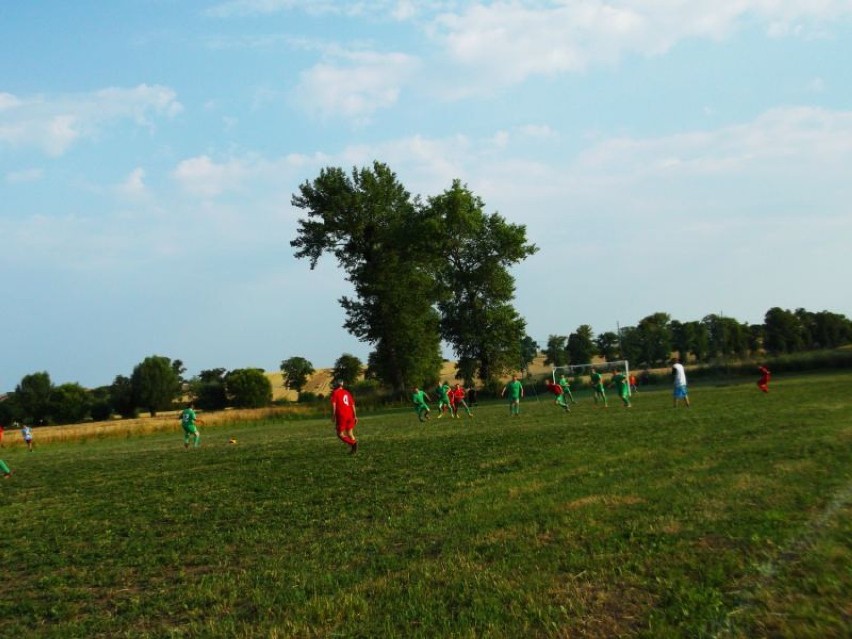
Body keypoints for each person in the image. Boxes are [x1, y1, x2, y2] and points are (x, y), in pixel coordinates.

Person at [330, 380, 358, 454]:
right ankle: (353, 451)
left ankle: (353, 443)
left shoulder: (335, 392)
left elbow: (334, 405)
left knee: (340, 434)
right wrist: (355, 416)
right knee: (350, 433)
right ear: (342, 385)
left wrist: (333, 415)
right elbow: (352, 405)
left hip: (342, 415)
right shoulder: (347, 392)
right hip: (350, 415)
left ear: (336, 385)